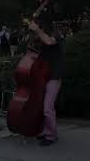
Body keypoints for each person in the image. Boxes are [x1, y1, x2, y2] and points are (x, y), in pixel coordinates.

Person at [28, 18, 63, 146]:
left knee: (48, 107)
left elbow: (49, 41)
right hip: (43, 77)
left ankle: (52, 136)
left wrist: (36, 29)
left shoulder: (56, 37)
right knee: (41, 106)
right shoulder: (42, 42)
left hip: (54, 77)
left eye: (41, 28)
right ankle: (43, 131)